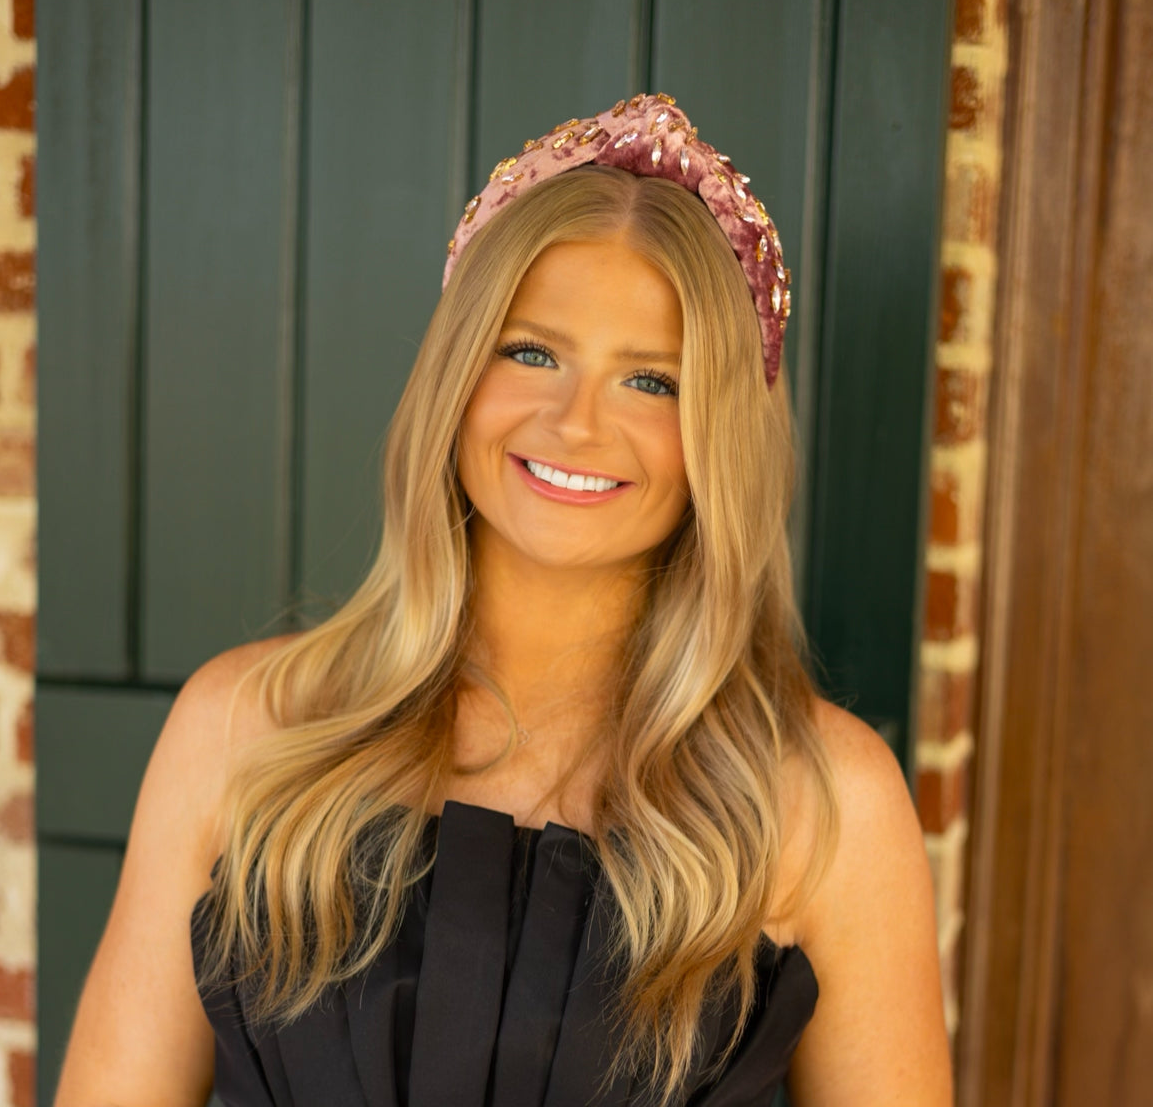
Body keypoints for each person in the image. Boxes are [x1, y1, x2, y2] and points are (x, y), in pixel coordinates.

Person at [54, 95, 952, 1106]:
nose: (576, 422)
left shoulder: (822, 801)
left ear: (721, 439)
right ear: (457, 377)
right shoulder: (243, 727)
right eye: (532, 353)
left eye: (652, 381)